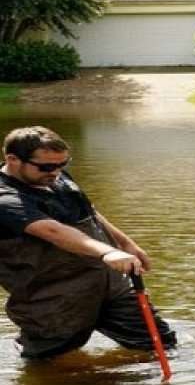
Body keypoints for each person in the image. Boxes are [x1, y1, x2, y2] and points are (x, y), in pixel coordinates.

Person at [0, 126, 176, 358]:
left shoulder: (55, 175)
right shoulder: (5, 198)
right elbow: (53, 230)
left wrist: (123, 243)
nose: (55, 172)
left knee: (161, 344)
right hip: (55, 299)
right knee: (50, 366)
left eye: (63, 164)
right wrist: (107, 253)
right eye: (46, 167)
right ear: (12, 159)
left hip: (110, 287)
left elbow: (89, 212)